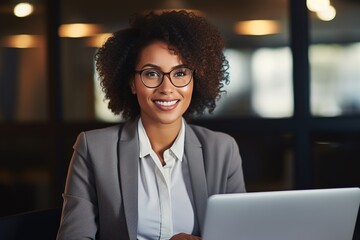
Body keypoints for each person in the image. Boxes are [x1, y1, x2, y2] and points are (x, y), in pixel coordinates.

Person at [56, 10, 246, 240]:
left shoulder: (223, 150)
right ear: (132, 83)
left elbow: (238, 234)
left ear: (196, 81)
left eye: (180, 73)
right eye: (152, 74)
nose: (167, 88)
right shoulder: (94, 149)